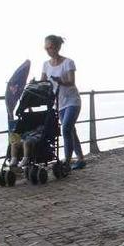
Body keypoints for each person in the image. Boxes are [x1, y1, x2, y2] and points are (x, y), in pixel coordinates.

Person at [41, 35, 86, 169]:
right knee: (71, 130)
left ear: (57, 47)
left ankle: (66, 161)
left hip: (72, 101)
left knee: (66, 128)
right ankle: (81, 159)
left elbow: (71, 81)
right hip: (59, 103)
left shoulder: (68, 62)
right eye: (46, 48)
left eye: (50, 47)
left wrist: (60, 81)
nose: (48, 50)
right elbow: (43, 82)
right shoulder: (45, 64)